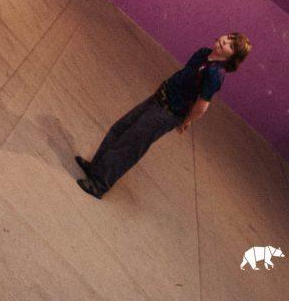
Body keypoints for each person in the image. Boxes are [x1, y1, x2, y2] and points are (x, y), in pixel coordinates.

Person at [75, 33, 252, 199]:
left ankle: (99, 184)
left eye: (231, 46)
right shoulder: (204, 53)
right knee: (121, 129)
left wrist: (186, 121)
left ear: (232, 58)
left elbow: (202, 106)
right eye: (228, 37)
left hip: (168, 112)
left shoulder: (214, 74)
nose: (224, 41)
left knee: (130, 145)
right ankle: (95, 167)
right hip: (159, 98)